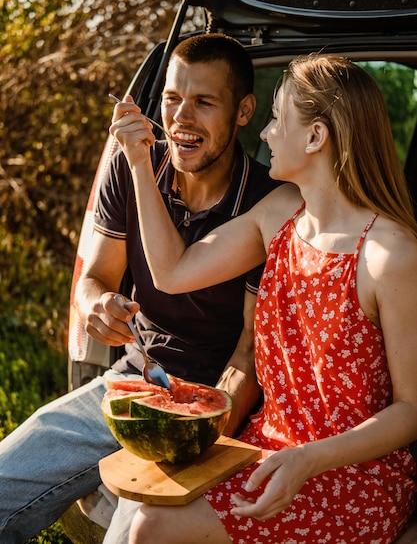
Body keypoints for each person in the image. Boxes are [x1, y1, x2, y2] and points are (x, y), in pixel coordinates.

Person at [108, 53, 417, 544]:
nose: (266, 133)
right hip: (268, 447)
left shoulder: (389, 253)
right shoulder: (279, 214)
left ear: (316, 137)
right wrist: (141, 163)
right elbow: (171, 272)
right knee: (146, 519)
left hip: (353, 473)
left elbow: (410, 409)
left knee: (154, 527)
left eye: (277, 118)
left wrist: (306, 459)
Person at [0, 34, 280, 543]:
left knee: (133, 532)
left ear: (244, 112)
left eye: (204, 102)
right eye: (172, 99)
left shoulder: (269, 204)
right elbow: (95, 279)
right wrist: (95, 306)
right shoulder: (131, 167)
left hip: (222, 408)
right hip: (131, 382)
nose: (182, 118)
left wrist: (207, 425)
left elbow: (249, 352)